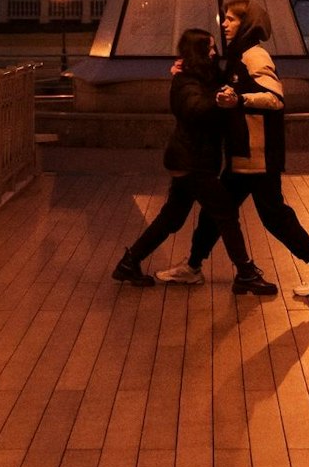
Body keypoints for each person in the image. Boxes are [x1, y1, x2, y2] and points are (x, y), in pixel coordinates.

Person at [159, 0, 309, 297]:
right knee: (217, 211)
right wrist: (186, 69)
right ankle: (193, 266)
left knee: (274, 216)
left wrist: (240, 100)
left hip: (258, 154)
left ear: (246, 24)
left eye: (231, 19)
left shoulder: (255, 55)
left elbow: (275, 98)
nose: (224, 24)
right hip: (242, 153)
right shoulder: (238, 56)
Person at [112, 29, 277, 295]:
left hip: (191, 159)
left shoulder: (199, 76)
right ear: (198, 52)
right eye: (209, 49)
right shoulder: (185, 81)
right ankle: (245, 272)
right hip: (193, 160)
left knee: (172, 217)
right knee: (225, 211)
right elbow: (194, 109)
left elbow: (214, 87)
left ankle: (129, 262)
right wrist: (219, 102)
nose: (214, 53)